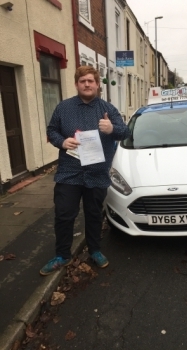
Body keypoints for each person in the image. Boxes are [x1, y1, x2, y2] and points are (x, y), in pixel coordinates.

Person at [40, 66, 130, 276]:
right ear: (76, 84)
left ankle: (95, 250)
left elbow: (125, 131)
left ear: (98, 84)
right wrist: (62, 142)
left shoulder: (108, 109)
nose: (87, 84)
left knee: (94, 214)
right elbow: (51, 130)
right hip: (69, 173)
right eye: (83, 81)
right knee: (63, 215)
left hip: (97, 173)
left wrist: (112, 129)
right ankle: (62, 255)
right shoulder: (64, 108)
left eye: (91, 81)